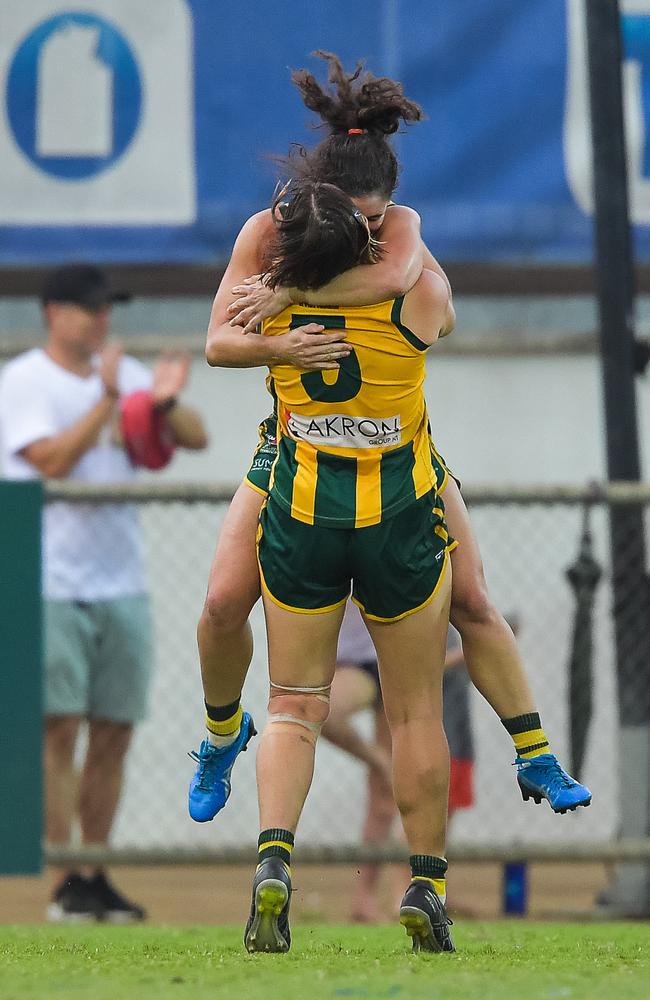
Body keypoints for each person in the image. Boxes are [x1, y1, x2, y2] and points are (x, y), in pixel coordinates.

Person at [189, 51, 591, 831]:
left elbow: (391, 277)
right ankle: (217, 734)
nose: (368, 232)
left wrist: (288, 292)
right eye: (356, 219)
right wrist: (279, 342)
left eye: (377, 217)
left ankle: (534, 750)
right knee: (219, 602)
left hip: (403, 451)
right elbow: (218, 343)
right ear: (321, 200)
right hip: (293, 449)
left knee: (473, 599)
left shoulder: (396, 234)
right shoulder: (266, 234)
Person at [243, 175, 455, 953]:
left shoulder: (275, 303)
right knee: (415, 713)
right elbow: (436, 294)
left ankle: (273, 860)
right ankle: (427, 885)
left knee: (294, 705)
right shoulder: (413, 297)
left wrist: (288, 281)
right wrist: (399, 230)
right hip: (397, 516)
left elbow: (224, 339)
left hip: (303, 513)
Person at [0, 263, 208, 923]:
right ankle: (66, 879)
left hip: (122, 578)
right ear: (53, 313)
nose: (101, 320)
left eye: (107, 309)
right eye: (89, 308)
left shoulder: (126, 377)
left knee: (113, 731)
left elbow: (196, 438)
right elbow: (52, 461)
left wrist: (162, 403)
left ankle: (95, 869)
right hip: (47, 578)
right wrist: (108, 401)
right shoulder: (25, 380)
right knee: (57, 730)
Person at [323, 605, 475, 924]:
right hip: (358, 665)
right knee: (326, 711)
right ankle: (376, 896)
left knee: (385, 800)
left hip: (391, 662)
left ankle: (378, 897)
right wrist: (376, 758)